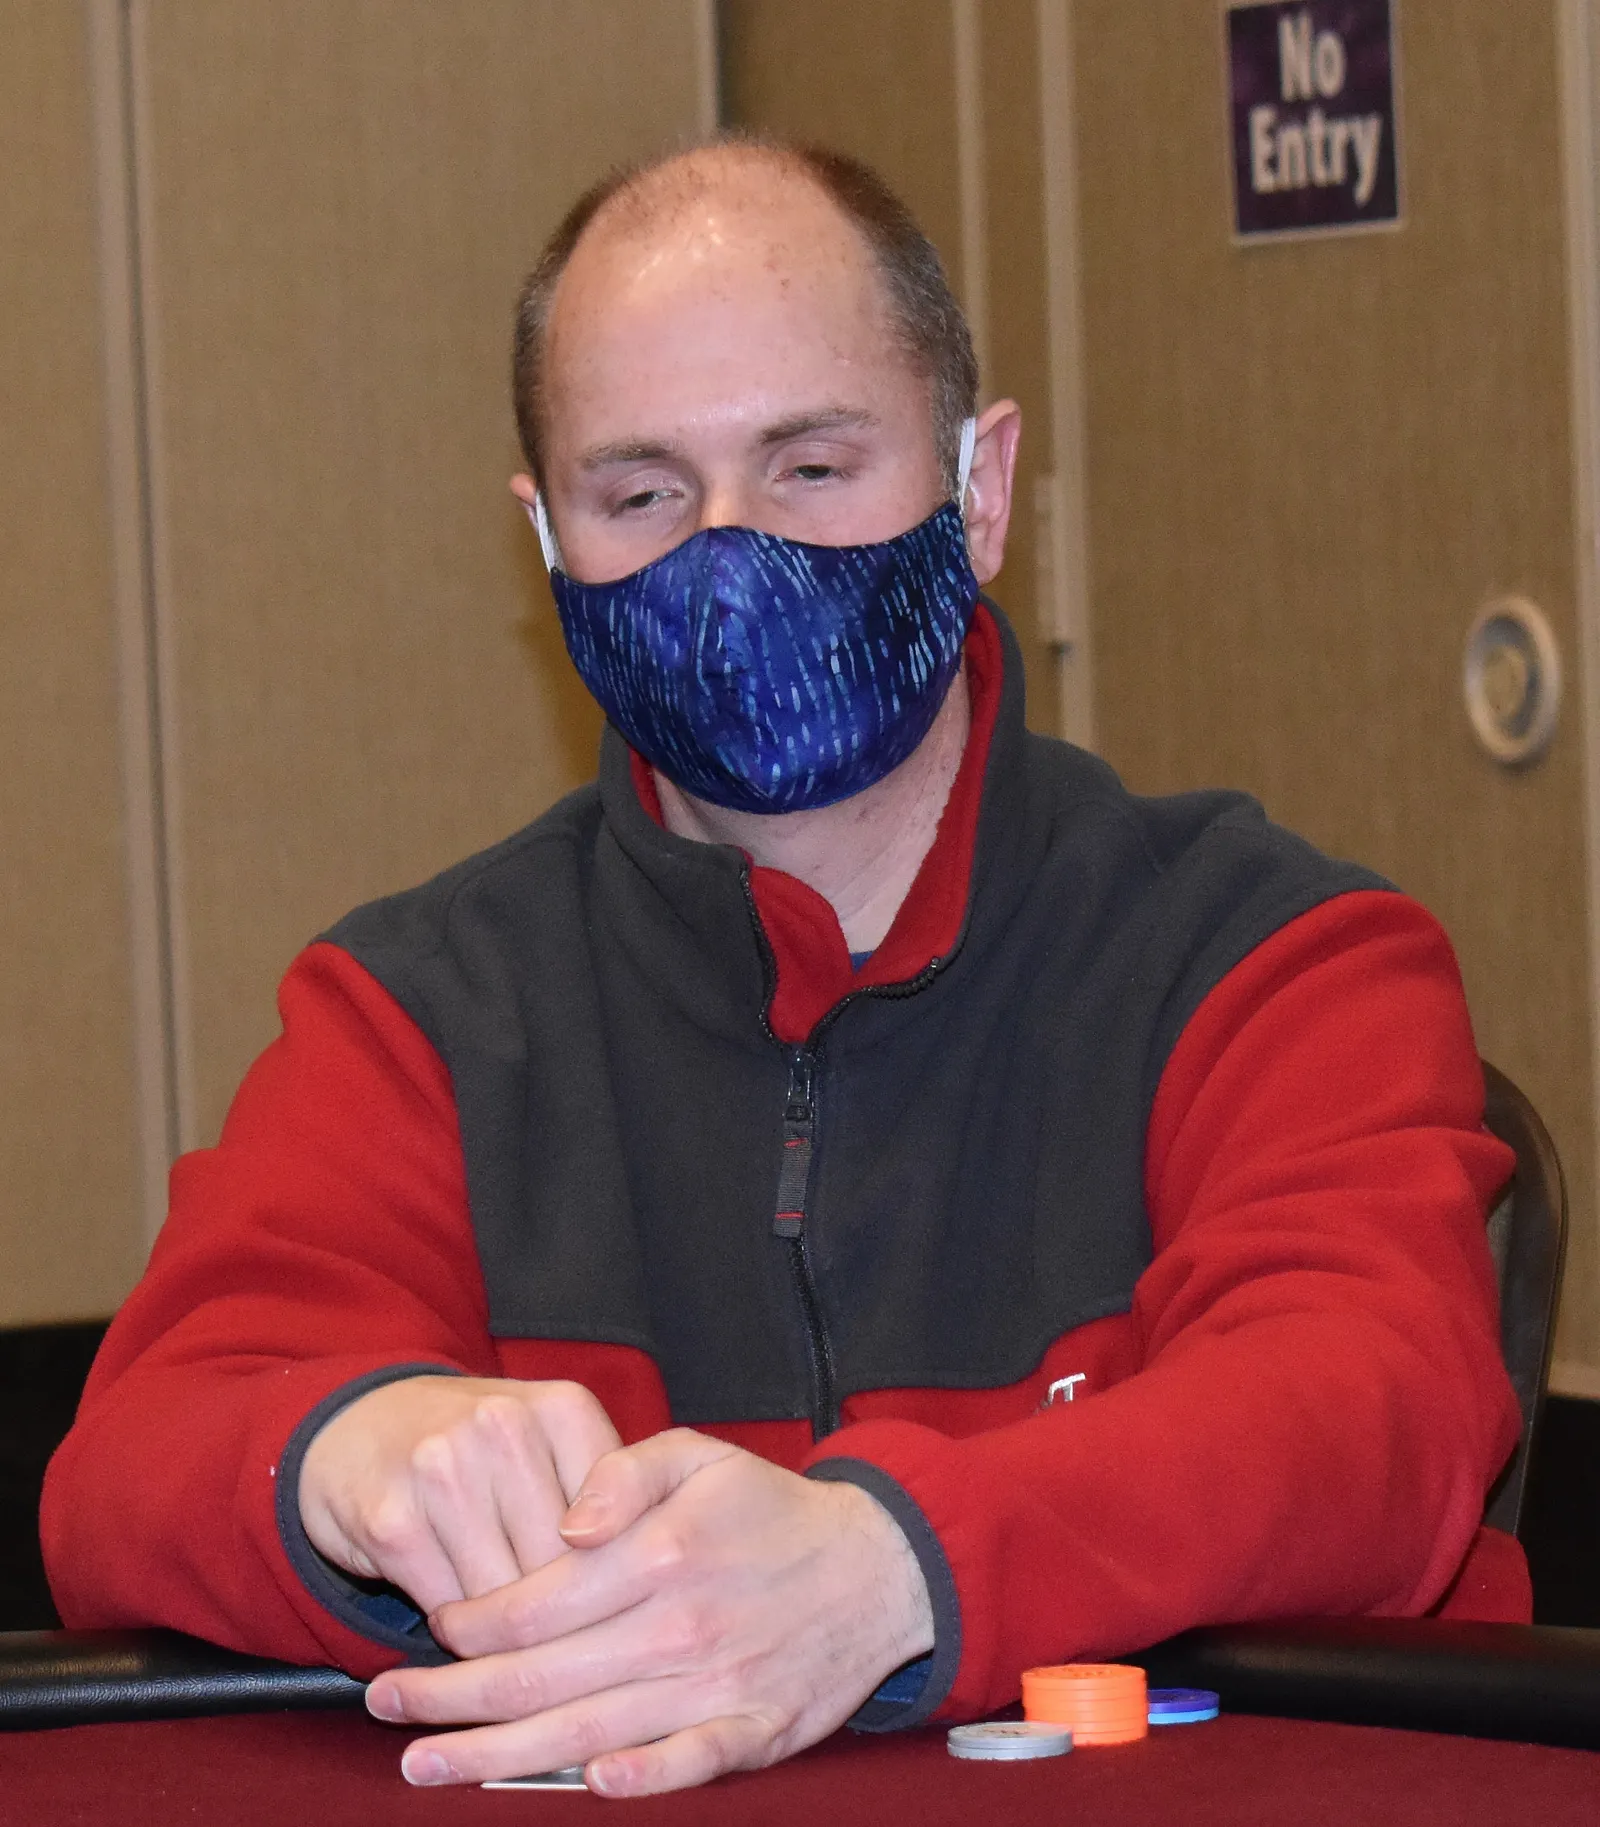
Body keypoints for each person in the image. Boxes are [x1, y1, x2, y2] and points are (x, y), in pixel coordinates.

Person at [43, 136, 1527, 1798]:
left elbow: (1372, 1411)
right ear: (547, 542)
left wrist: (888, 1564)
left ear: (979, 490)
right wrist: (343, 1453)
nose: (731, 553)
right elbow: (130, 1466)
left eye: (812, 466)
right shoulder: (422, 1014)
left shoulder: (1269, 956)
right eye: (642, 495)